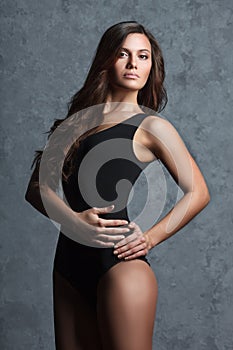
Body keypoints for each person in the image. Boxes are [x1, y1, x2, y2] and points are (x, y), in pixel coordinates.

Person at [25, 21, 210, 350]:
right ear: (106, 59)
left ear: (152, 66)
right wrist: (71, 219)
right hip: (68, 266)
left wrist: (150, 239)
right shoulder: (76, 123)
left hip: (119, 265)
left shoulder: (151, 125)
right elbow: (36, 189)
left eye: (143, 56)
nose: (133, 64)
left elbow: (199, 192)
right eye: (123, 54)